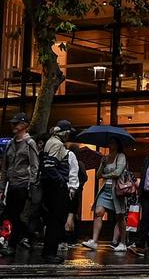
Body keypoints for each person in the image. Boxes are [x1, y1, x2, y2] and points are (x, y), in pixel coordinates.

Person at [0, 113, 39, 259]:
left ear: (24, 125)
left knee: (15, 215)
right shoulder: (10, 144)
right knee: (11, 215)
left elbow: (35, 166)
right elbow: (4, 168)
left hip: (23, 185)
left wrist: (31, 185)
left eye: (16, 123)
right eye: (12, 123)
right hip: (12, 185)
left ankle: (11, 246)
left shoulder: (30, 143)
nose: (13, 126)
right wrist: (2, 188)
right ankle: (30, 234)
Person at [82, 138, 128, 252]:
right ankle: (94, 241)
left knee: (120, 216)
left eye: (112, 143)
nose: (109, 145)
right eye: (109, 143)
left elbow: (118, 172)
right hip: (105, 190)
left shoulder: (121, 156)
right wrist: (102, 164)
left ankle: (122, 242)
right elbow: (98, 175)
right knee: (98, 212)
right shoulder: (106, 157)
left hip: (117, 190)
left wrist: (106, 175)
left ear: (117, 145)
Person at [39, 120, 74, 264]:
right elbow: (50, 165)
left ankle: (49, 251)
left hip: (50, 186)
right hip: (56, 188)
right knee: (56, 220)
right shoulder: (57, 143)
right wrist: (61, 182)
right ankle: (50, 253)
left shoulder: (50, 141)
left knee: (54, 220)